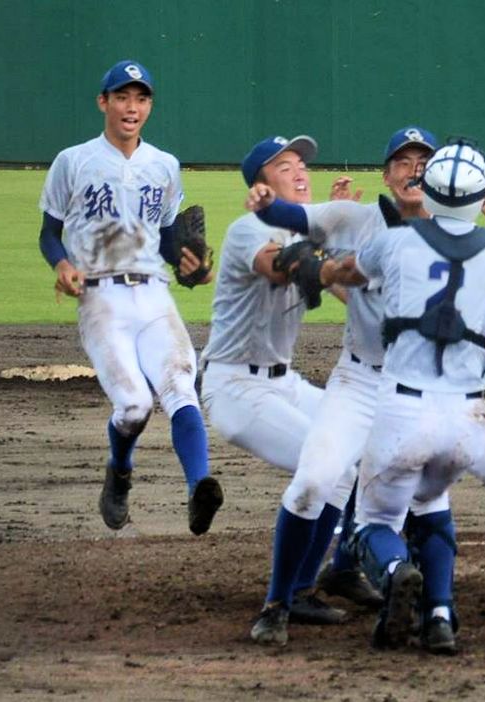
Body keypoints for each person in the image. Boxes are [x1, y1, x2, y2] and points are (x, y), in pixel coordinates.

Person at [245, 128, 485, 648]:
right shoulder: (356, 220)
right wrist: (268, 204)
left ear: (435, 179)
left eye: (421, 161)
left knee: (429, 501)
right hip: (361, 381)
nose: (410, 168)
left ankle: (439, 606)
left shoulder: (459, 235)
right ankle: (278, 603)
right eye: (400, 161)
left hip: (431, 391)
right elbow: (292, 219)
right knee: (315, 482)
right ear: (386, 176)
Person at [339, 139, 485, 654]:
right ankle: (445, 614)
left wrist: (312, 261)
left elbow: (351, 275)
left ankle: (395, 569)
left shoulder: (396, 242)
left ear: (427, 190)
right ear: (481, 196)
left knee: (374, 523)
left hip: (403, 408)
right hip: (469, 417)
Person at [37, 60, 219, 537]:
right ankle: (119, 472)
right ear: (104, 102)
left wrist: (191, 267)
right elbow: (49, 233)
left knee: (181, 385)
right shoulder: (73, 161)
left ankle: (200, 486)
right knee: (135, 406)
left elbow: (165, 240)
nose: (131, 107)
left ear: (149, 106)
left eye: (140, 98)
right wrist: (62, 264)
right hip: (100, 300)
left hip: (154, 293)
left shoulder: (165, 166)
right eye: (122, 97)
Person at [198, 134, 351, 627]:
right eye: (285, 167)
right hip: (235, 388)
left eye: (302, 163)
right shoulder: (250, 228)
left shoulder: (313, 231)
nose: (301, 171)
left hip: (285, 383)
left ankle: (334, 572)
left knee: (356, 454)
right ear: (260, 186)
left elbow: (351, 293)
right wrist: (316, 253)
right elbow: (279, 266)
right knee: (323, 464)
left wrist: (342, 242)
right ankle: (284, 597)